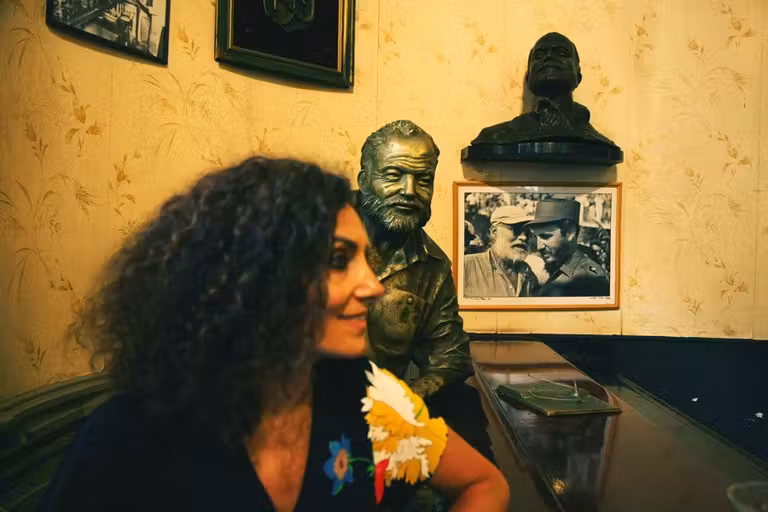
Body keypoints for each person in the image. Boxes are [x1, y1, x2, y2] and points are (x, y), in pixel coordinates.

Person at [41, 157, 509, 511]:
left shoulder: (368, 395)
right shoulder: (128, 438)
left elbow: (485, 484)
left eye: (365, 259)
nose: (373, 286)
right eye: (339, 260)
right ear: (254, 277)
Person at [470, 32, 620, 150]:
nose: (549, 57)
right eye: (540, 55)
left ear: (578, 77)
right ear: (528, 78)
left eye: (562, 53)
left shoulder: (598, 142)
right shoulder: (496, 136)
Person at [527, 198, 610, 297]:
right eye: (534, 237)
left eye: (545, 236)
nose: (538, 246)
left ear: (569, 233)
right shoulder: (546, 269)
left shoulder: (591, 281)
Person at [463, 205, 538, 297]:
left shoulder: (528, 274)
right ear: (494, 232)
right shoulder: (466, 266)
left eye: (528, 233)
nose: (524, 237)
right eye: (516, 230)